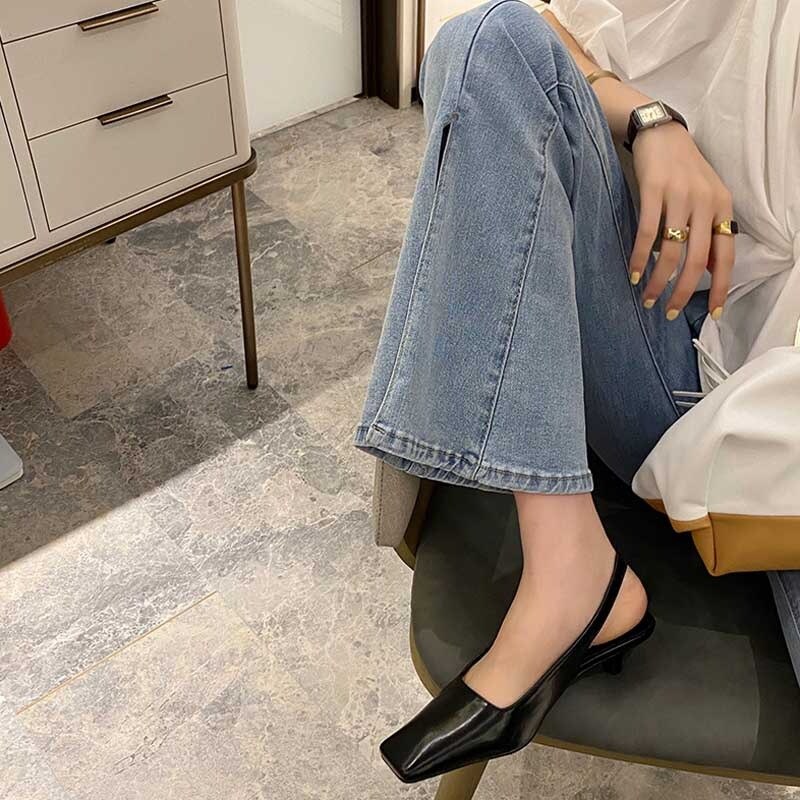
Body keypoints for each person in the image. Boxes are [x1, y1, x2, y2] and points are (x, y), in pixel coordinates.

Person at [352, 0, 800, 783]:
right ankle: (569, 568)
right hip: (669, 348)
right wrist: (651, 121)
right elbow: (545, 25)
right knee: (487, 39)